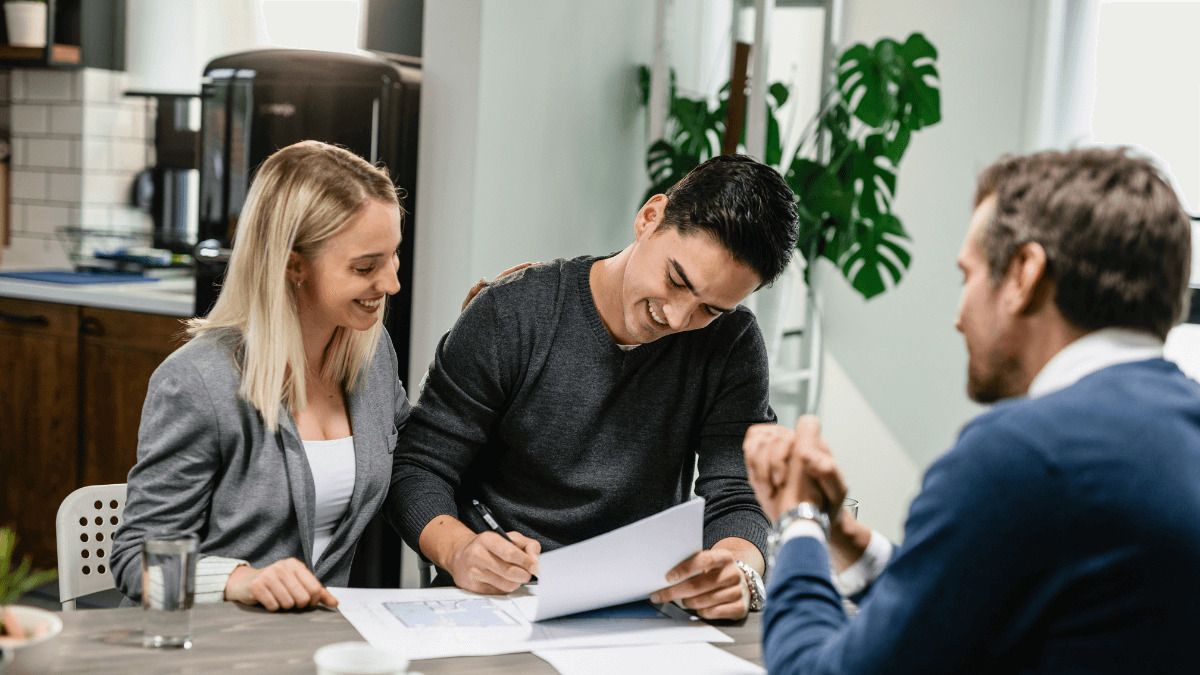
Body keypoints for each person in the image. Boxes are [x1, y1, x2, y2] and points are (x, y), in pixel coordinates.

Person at [744, 147, 1200, 673]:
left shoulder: (1020, 454)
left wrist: (798, 520)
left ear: (1024, 274)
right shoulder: (1175, 433)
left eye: (968, 276)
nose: (959, 317)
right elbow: (967, 609)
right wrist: (846, 538)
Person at [387, 154, 799, 619]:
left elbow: (738, 491)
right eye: (676, 280)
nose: (677, 317)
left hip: (643, 607)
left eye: (710, 309)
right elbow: (418, 466)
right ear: (649, 217)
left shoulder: (732, 343)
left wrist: (737, 570)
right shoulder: (511, 313)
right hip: (500, 601)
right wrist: (460, 550)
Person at [112, 141, 410, 611]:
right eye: (365, 267)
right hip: (211, 640)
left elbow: (414, 460)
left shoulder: (372, 356)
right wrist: (240, 580)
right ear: (293, 265)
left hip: (312, 639)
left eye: (393, 256)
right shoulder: (198, 380)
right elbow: (136, 561)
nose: (391, 283)